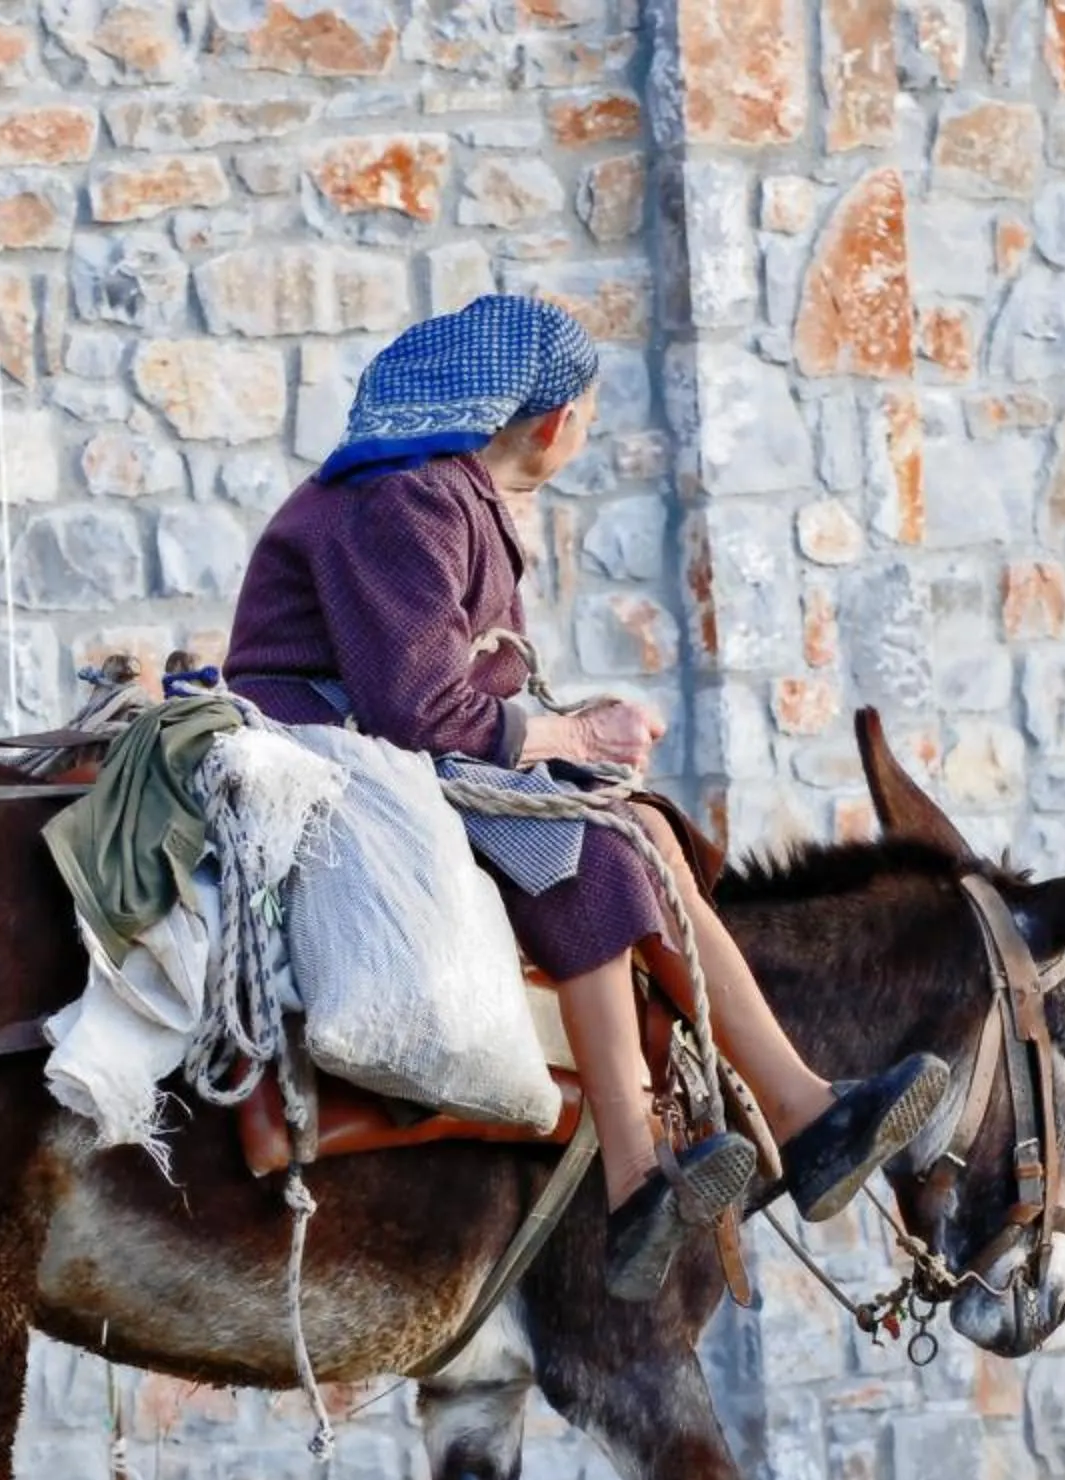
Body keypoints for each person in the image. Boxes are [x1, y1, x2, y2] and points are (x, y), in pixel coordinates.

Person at [225, 296, 947, 1304]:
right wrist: (570, 739)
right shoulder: (409, 503)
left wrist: (575, 732)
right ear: (557, 421)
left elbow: (473, 687)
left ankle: (798, 1112)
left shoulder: (446, 498)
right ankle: (642, 1168)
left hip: (389, 747)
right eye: (590, 412)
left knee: (641, 825)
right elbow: (413, 705)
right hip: (339, 754)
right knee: (594, 847)